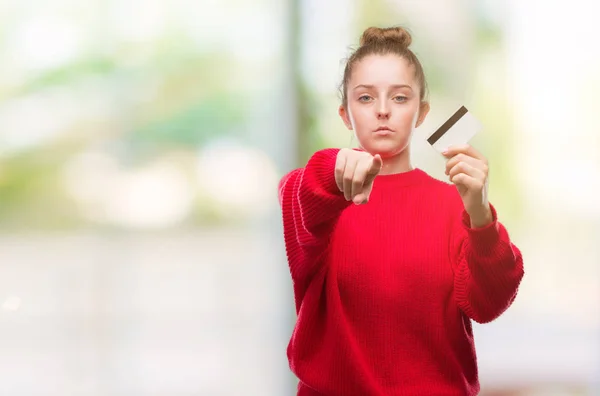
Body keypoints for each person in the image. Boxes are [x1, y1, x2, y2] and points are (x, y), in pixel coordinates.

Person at [278, 26, 524, 396]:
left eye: (399, 97)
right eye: (365, 98)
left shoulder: (454, 205)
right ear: (345, 114)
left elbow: (487, 305)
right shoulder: (316, 200)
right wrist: (335, 168)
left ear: (421, 112)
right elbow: (305, 188)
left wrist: (481, 218)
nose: (381, 111)